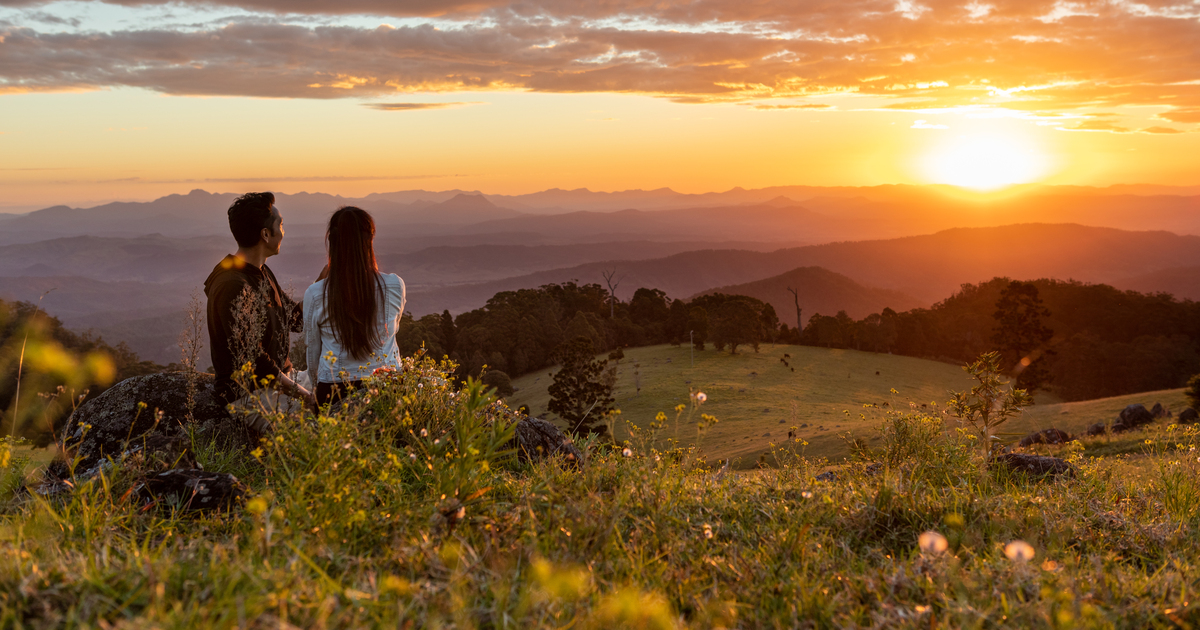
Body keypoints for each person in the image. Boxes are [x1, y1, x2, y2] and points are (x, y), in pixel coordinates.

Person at [205, 192, 315, 433]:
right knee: (319, 425)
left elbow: (294, 319)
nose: (284, 232)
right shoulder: (232, 284)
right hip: (249, 395)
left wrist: (324, 286)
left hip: (281, 381)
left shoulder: (260, 272)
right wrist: (304, 396)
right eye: (281, 225)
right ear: (265, 234)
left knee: (342, 389)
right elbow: (254, 359)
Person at [304, 206, 406, 406]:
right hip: (388, 386)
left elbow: (312, 354)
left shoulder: (316, 294)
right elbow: (393, 330)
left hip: (334, 390)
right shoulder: (395, 286)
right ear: (369, 241)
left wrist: (316, 389)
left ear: (332, 243)